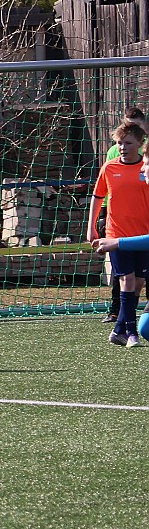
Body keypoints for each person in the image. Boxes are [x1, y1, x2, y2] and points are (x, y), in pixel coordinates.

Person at [86, 123, 149, 348]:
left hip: (142, 236)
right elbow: (97, 196)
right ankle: (131, 334)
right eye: (119, 143)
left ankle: (118, 329)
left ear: (140, 144)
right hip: (116, 235)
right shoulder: (110, 168)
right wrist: (91, 227)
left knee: (138, 283)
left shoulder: (145, 167)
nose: (122, 147)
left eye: (128, 143)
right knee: (127, 280)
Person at [101, 107, 147, 323]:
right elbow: (105, 188)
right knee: (124, 277)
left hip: (143, 226)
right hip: (120, 227)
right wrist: (102, 216)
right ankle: (118, 316)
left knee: (138, 279)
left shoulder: (144, 153)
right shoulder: (113, 155)